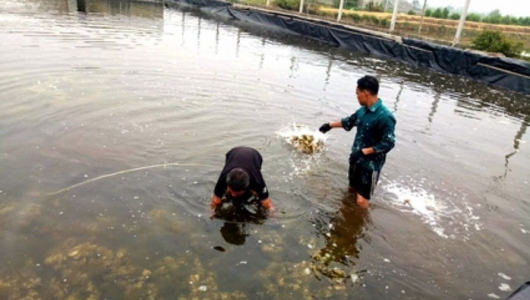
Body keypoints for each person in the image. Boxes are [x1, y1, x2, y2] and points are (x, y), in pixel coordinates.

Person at [319, 75, 396, 208]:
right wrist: (329, 125)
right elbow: (349, 121)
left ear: (365, 92)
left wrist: (363, 152)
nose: (357, 97)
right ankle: (348, 217)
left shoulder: (385, 116)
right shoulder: (363, 111)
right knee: (351, 191)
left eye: (357, 93)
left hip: (371, 166)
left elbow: (388, 143)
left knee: (361, 201)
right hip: (356, 159)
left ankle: (361, 225)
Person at [211, 146, 273, 211]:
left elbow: (267, 203)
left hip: (255, 156)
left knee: (255, 193)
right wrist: (211, 215)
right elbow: (215, 200)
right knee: (224, 191)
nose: (233, 195)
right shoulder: (223, 178)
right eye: (232, 192)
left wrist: (274, 216)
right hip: (232, 153)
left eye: (237, 193)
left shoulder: (258, 181)